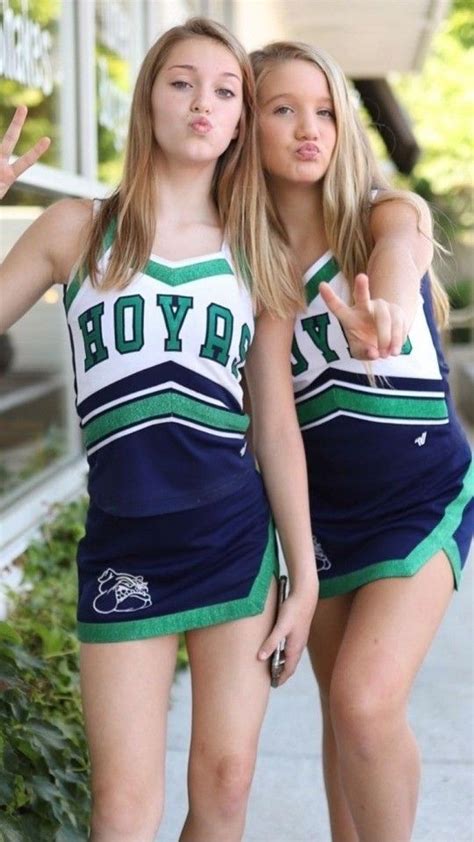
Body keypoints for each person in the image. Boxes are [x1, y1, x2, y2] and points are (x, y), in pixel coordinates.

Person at [0, 19, 319, 842]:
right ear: (147, 101)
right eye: (181, 82)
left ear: (241, 120)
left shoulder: (258, 249)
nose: (202, 104)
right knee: (124, 810)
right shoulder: (76, 228)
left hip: (233, 543)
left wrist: (304, 576)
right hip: (124, 547)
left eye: (225, 91)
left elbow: (276, 423)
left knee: (225, 788)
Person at [250, 41, 474, 842]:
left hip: (422, 497)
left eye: (324, 110)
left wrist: (394, 306)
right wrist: (299, 568)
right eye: (283, 109)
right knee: (342, 719)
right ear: (250, 126)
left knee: (365, 704)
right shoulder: (257, 267)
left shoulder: (380, 214)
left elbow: (405, 244)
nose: (309, 128)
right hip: (328, 519)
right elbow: (275, 424)